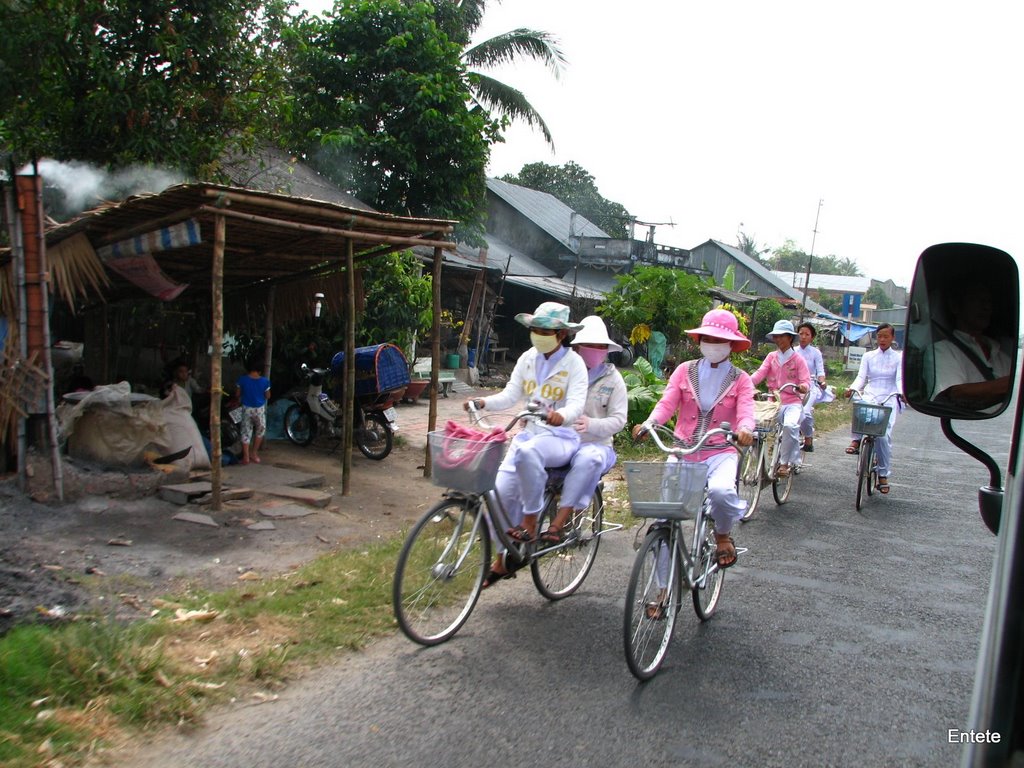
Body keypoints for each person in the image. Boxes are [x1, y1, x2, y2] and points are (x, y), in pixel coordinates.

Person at [463, 301, 588, 587]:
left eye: (546, 330)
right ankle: (506, 556)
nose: (539, 334)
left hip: (561, 438)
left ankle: (530, 522)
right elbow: (509, 396)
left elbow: (577, 405)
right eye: (535, 329)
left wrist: (560, 416)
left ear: (562, 335)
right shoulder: (527, 358)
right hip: (529, 434)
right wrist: (482, 402)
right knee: (494, 496)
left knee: (530, 451)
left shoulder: (574, 363)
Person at [631, 308, 755, 569]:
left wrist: (744, 430)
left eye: (719, 340)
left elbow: (746, 411)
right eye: (708, 339)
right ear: (699, 341)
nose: (713, 345)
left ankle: (722, 534)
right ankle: (662, 591)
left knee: (721, 493)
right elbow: (667, 403)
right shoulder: (683, 371)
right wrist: (650, 424)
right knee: (665, 519)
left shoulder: (741, 379)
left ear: (731, 344)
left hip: (721, 451)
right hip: (683, 450)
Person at [540, 315, 628, 544]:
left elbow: (619, 420)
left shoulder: (613, 380)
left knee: (586, 460)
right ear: (578, 347)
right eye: (591, 345)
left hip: (597, 445)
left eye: (601, 347)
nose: (596, 350)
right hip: (564, 441)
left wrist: (593, 424)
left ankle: (560, 523)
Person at [927, 280, 1012, 412]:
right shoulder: (942, 351)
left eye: (989, 301)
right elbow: (949, 398)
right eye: (977, 299)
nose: (986, 307)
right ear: (955, 306)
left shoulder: (1003, 357)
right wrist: (1013, 383)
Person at [843, 323, 902, 494]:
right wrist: (852, 388)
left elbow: (899, 379)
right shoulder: (868, 356)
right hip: (872, 393)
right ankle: (856, 439)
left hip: (890, 396)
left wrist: (901, 393)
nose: (882, 339)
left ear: (892, 338)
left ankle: (883, 474)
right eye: (880, 336)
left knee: (883, 436)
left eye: (886, 336)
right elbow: (861, 377)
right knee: (860, 405)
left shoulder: (898, 358)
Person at [749, 320, 811, 478]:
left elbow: (806, 381)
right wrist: (745, 384)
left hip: (792, 402)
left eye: (781, 336)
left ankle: (784, 463)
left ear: (790, 338)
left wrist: (803, 387)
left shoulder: (798, 360)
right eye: (776, 336)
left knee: (790, 426)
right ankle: (761, 461)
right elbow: (759, 374)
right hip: (773, 402)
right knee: (754, 427)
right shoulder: (771, 357)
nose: (778, 339)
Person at [795, 322, 827, 453]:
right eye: (801, 333)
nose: (803, 337)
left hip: (810, 386)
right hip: (795, 387)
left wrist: (822, 382)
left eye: (807, 334)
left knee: (805, 412)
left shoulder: (815, 353)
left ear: (812, 337)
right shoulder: (793, 351)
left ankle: (808, 436)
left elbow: (820, 371)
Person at [235, 359, 271, 465]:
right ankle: (254, 453)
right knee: (260, 430)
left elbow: (237, 394)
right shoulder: (265, 381)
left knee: (245, 432)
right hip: (259, 409)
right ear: (260, 370)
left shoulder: (242, 380)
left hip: (246, 408)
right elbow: (268, 396)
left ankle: (246, 457)